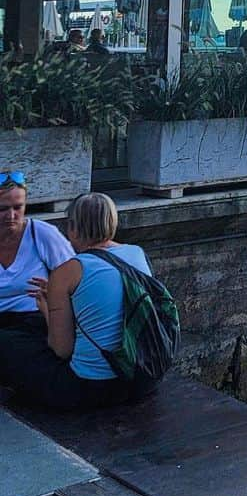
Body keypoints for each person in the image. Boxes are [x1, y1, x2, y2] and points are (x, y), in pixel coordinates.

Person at [0, 192, 152, 411]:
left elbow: (62, 349)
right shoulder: (136, 253)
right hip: (141, 378)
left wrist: (45, 307)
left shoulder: (68, 271)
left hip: (91, 387)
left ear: (74, 228)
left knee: (7, 343)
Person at [0, 174, 75, 335]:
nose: (11, 216)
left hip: (33, 319)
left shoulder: (41, 233)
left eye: (18, 207)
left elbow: (75, 278)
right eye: (3, 208)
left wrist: (55, 291)